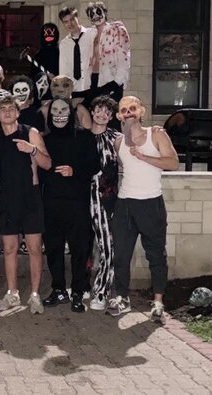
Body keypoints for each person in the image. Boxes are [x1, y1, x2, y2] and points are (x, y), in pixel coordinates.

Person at [107, 96, 179, 323]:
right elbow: (125, 168)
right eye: (124, 110)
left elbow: (173, 163)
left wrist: (143, 156)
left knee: (156, 255)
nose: (128, 112)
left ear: (141, 111)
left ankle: (158, 302)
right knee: (120, 255)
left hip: (151, 203)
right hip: (125, 204)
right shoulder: (118, 142)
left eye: (132, 108)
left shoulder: (156, 134)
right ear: (119, 116)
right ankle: (122, 297)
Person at [0, 96, 51, 314]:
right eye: (3, 109)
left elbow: (47, 163)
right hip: (7, 197)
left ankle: (34, 295)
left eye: (11, 108)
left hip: (30, 197)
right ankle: (12, 293)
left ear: (18, 113)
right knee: (9, 248)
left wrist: (32, 150)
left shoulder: (30, 133)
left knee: (34, 248)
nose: (7, 112)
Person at [41, 96, 100, 313]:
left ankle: (78, 292)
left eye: (63, 109)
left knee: (80, 249)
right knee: (53, 249)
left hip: (77, 203)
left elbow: (95, 165)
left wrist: (74, 171)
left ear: (71, 113)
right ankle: (58, 289)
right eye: (55, 110)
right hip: (51, 203)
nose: (59, 114)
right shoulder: (44, 140)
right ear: (49, 115)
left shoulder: (84, 137)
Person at [88, 95, 121, 311]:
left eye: (107, 112)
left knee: (107, 246)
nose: (102, 114)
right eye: (99, 110)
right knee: (82, 245)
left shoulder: (116, 138)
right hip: (81, 199)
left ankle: (102, 291)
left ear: (111, 117)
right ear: (92, 112)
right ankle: (81, 286)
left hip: (105, 200)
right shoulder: (82, 136)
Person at [86, 1, 131, 110]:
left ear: (105, 13)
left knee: (110, 114)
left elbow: (125, 59)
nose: (95, 16)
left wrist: (116, 82)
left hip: (111, 80)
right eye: (92, 14)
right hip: (93, 80)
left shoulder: (117, 30)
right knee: (94, 114)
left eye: (98, 12)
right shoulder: (89, 34)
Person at [58, 6, 97, 95]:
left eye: (72, 19)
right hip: (73, 90)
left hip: (92, 86)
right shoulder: (64, 44)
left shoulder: (92, 34)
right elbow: (63, 69)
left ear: (77, 18)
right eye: (66, 22)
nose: (70, 24)